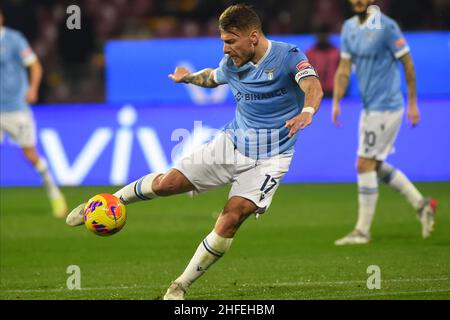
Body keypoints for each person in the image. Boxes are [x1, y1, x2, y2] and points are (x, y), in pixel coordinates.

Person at [66, 4, 323, 299]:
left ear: (253, 37)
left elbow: (313, 86)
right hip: (230, 143)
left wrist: (307, 111)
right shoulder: (233, 62)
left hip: (271, 158)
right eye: (223, 41)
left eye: (230, 41)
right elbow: (212, 77)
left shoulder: (289, 56)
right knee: (167, 183)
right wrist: (188, 78)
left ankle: (179, 286)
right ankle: (99, 204)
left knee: (232, 217)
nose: (226, 49)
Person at [332, 0, 437, 245]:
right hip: (369, 107)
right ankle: (422, 204)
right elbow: (344, 67)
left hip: (388, 105)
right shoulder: (348, 28)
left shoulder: (387, 27)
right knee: (374, 164)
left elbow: (408, 64)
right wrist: (336, 100)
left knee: (363, 164)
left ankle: (362, 231)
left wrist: (412, 103)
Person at [0, 9, 68, 218]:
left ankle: (55, 194)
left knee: (30, 155)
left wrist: (33, 89)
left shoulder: (13, 39)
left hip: (16, 108)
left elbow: (35, 66)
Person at [306, 23, 340, 97]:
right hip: (315, 92)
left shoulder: (336, 52)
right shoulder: (309, 54)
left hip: (333, 92)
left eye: (324, 33)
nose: (322, 36)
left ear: (328, 35)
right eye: (319, 33)